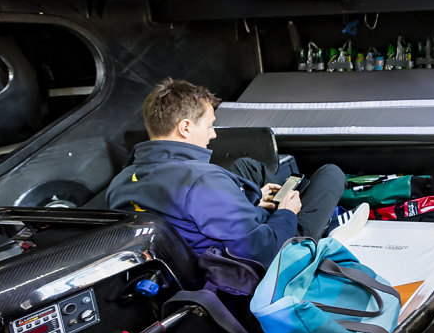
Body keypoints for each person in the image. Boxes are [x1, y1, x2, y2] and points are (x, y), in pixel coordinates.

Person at [107, 78, 346, 267]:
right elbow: (261, 252)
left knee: (246, 166)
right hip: (272, 254)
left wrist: (250, 203)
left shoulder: (121, 181)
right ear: (185, 127)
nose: (213, 135)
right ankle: (320, 219)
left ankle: (294, 200)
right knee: (330, 174)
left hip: (199, 251)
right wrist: (287, 214)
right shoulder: (202, 182)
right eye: (210, 126)